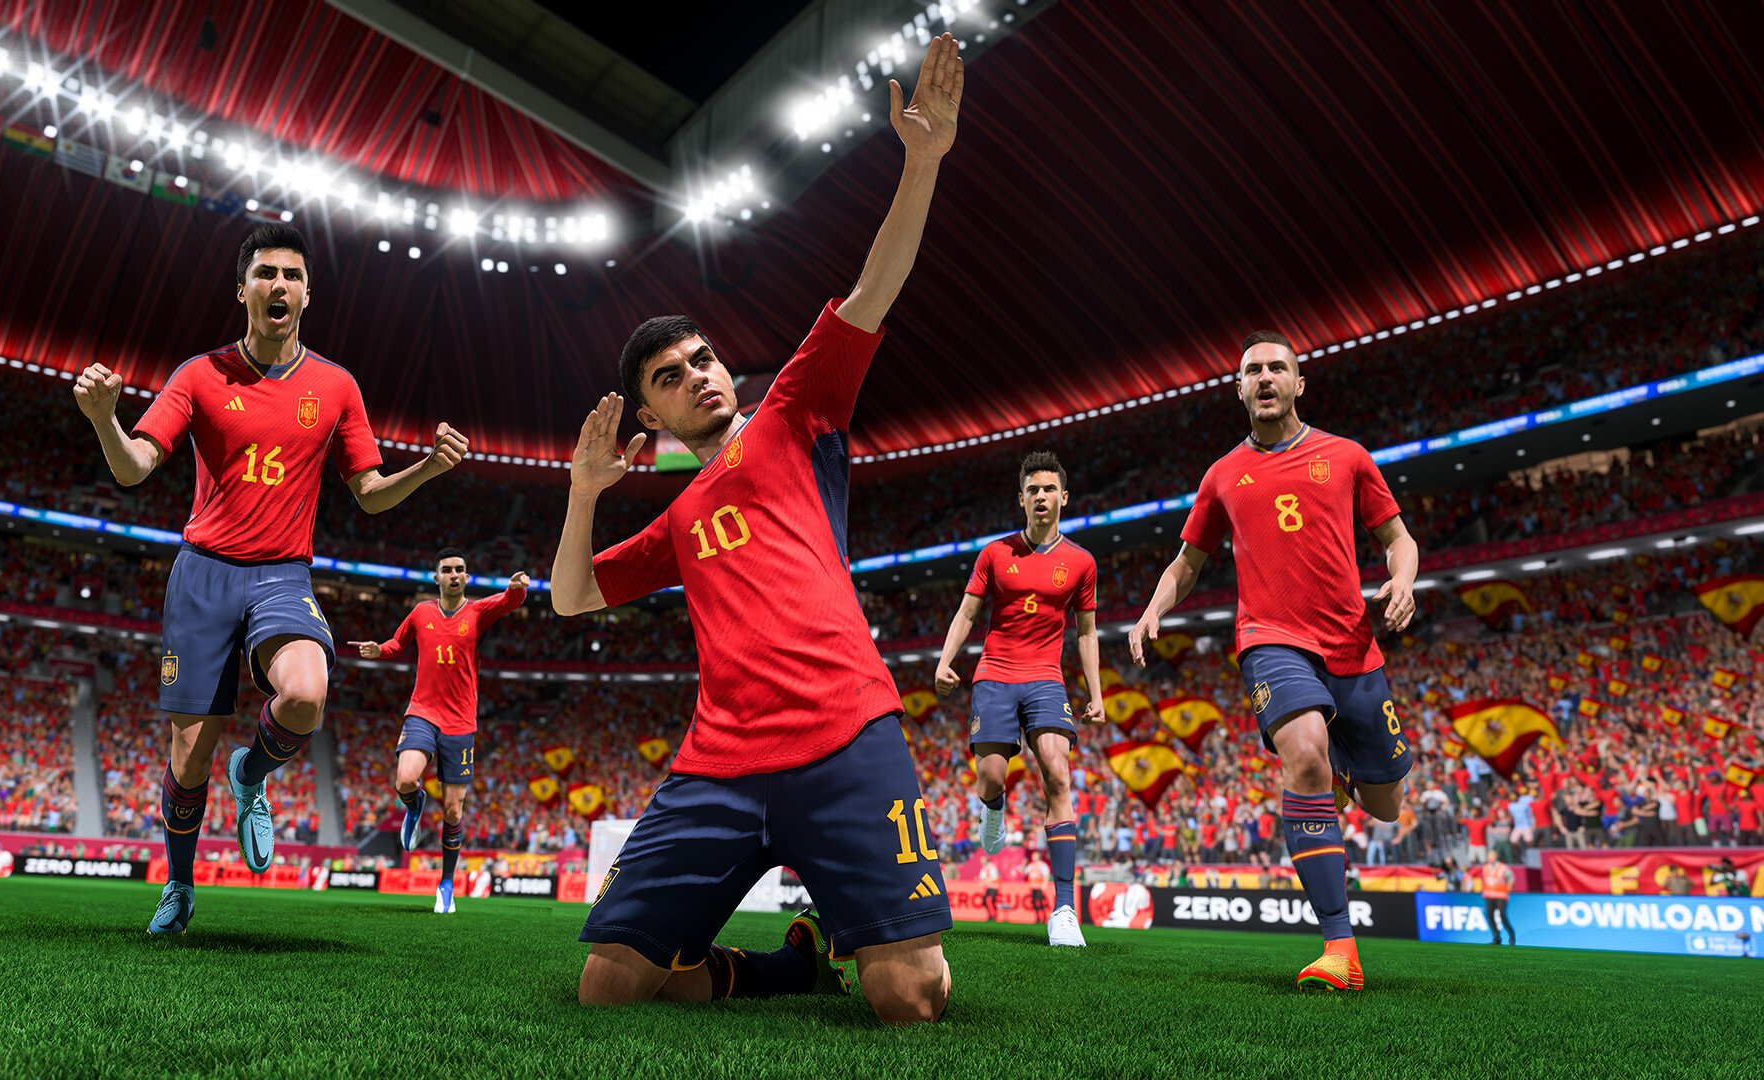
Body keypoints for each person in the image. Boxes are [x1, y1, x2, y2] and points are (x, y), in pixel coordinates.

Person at [548, 34, 966, 1025]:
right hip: (718, 761)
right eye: (671, 376)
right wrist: (582, 494)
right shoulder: (679, 515)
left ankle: (858, 945)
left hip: (844, 735)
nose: (698, 375)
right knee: (611, 987)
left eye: (701, 359)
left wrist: (921, 161)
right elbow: (570, 597)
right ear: (650, 415)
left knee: (909, 995)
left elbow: (873, 291)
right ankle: (786, 967)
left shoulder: (792, 411)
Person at [72, 223, 468, 934]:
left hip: (282, 576)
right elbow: (134, 467)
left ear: (307, 294)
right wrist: (105, 419)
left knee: (307, 693)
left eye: (292, 275)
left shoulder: (336, 386)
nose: (278, 285)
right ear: (243, 290)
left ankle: (251, 774)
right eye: (265, 273)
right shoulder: (199, 374)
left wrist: (429, 468)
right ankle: (180, 886)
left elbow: (370, 493)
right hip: (203, 576)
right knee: (188, 758)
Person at [1128, 330, 1420, 992]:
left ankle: (1347, 768)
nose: (1264, 377)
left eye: (1277, 368)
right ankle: (1340, 946)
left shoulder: (1346, 457)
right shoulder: (1222, 475)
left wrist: (1402, 579)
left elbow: (1398, 539)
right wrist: (1152, 610)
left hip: (1353, 646)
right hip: (1271, 640)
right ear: (1239, 389)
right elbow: (1187, 562)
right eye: (1253, 370)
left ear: (1298, 383)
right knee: (1306, 755)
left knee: (1386, 805)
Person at [931, 450, 1102, 947]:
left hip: (1046, 678)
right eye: (1033, 490)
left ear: (1063, 497)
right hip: (995, 675)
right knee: (990, 776)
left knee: (1057, 772)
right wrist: (944, 660)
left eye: (1049, 489)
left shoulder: (1081, 562)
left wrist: (1096, 693)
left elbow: (1086, 632)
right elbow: (967, 613)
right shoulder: (994, 553)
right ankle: (993, 807)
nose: (1041, 497)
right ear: (1021, 499)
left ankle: (1065, 910)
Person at [348, 549, 529, 914]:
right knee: (405, 779)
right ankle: (414, 805)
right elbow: (398, 643)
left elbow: (508, 602)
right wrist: (379, 650)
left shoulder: (477, 612)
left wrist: (517, 588)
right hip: (423, 712)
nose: (454, 574)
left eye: (460, 569)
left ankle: (446, 883)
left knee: (452, 809)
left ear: (466, 577)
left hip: (460, 722)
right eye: (447, 570)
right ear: (437, 578)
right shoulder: (421, 613)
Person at [1480, 849, 1517, 946]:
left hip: (1500, 895)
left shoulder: (1503, 867)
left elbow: (1511, 878)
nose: (1490, 858)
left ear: (1496, 856)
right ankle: (1497, 938)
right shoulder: (1485, 868)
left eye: (1492, 856)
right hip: (1489, 895)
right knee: (1489, 915)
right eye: (1489, 856)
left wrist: (1509, 888)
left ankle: (1511, 936)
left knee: (1502, 916)